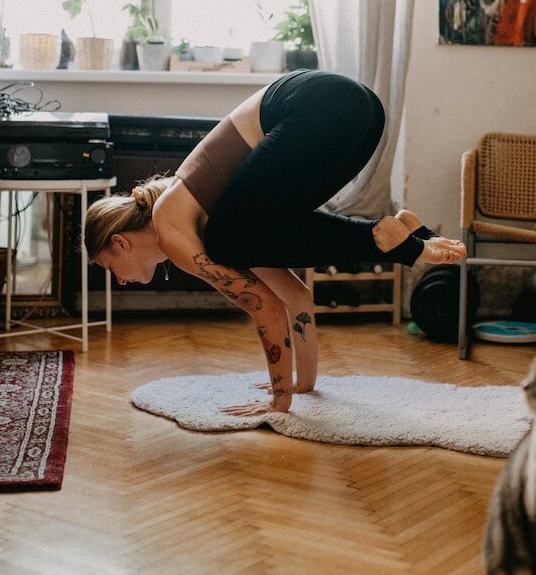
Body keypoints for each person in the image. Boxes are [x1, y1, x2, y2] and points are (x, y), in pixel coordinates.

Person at [85, 70, 466, 417]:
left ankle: (377, 238)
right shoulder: (231, 217)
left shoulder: (173, 228)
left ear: (120, 243)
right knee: (257, 236)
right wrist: (303, 384)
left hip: (319, 107)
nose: (118, 282)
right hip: (360, 112)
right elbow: (295, 298)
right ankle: (402, 235)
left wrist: (278, 402)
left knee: (226, 242)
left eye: (107, 267)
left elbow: (264, 308)